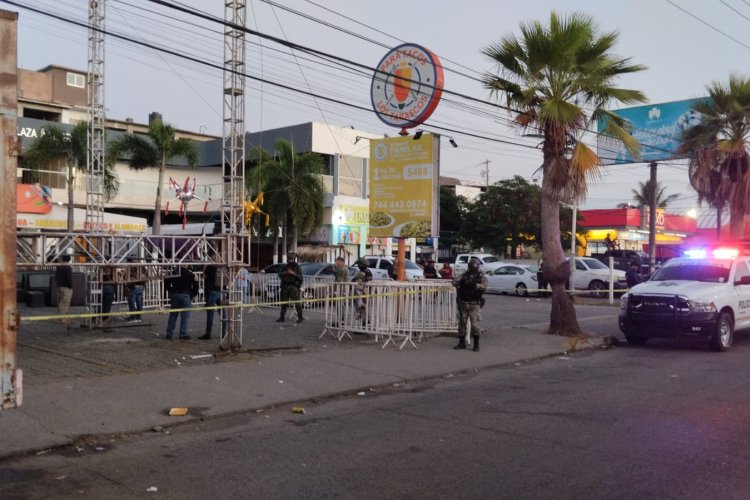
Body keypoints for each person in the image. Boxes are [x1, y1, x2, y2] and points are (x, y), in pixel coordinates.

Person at [452, 258, 488, 352]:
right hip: (463, 302)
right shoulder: (465, 275)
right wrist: (462, 280)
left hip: (474, 303)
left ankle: (476, 344)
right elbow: (454, 282)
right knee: (462, 323)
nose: (475, 269)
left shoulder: (481, 276)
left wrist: (475, 285)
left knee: (474, 325)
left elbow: (485, 287)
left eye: (476, 267)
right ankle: (462, 342)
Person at [165, 265, 197, 340]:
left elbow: (166, 281)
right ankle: (183, 333)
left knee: (173, 315)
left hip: (175, 295)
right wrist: (192, 295)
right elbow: (196, 286)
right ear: (186, 265)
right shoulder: (190, 274)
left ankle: (169, 333)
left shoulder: (174, 273)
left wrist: (171, 290)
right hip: (186, 295)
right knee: (185, 316)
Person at [277, 252, 303, 323]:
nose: (291, 260)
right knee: (284, 303)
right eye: (289, 259)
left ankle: (300, 317)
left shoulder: (297, 267)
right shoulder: (284, 266)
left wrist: (293, 273)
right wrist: (285, 273)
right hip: (285, 286)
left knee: (297, 303)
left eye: (292, 259)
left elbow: (300, 278)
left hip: (293, 286)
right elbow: (279, 274)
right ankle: (282, 317)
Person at [200, 264, 224, 340]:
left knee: (210, 314)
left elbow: (203, 276)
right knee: (223, 313)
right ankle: (223, 333)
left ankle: (208, 333)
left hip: (211, 291)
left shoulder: (209, 267)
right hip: (220, 291)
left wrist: (204, 267)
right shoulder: (221, 267)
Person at [55, 254, 73, 325]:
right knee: (65, 303)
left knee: (60, 303)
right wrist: (70, 286)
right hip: (66, 287)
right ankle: (62, 320)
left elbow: (56, 277)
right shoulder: (68, 267)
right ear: (69, 259)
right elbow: (69, 279)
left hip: (59, 286)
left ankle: (60, 318)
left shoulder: (59, 267)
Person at [353, 257, 373, 322]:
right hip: (367, 292)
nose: (358, 266)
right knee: (365, 308)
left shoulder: (361, 273)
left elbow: (353, 281)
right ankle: (366, 321)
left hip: (361, 293)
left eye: (359, 265)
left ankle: (363, 325)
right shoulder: (369, 271)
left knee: (361, 308)